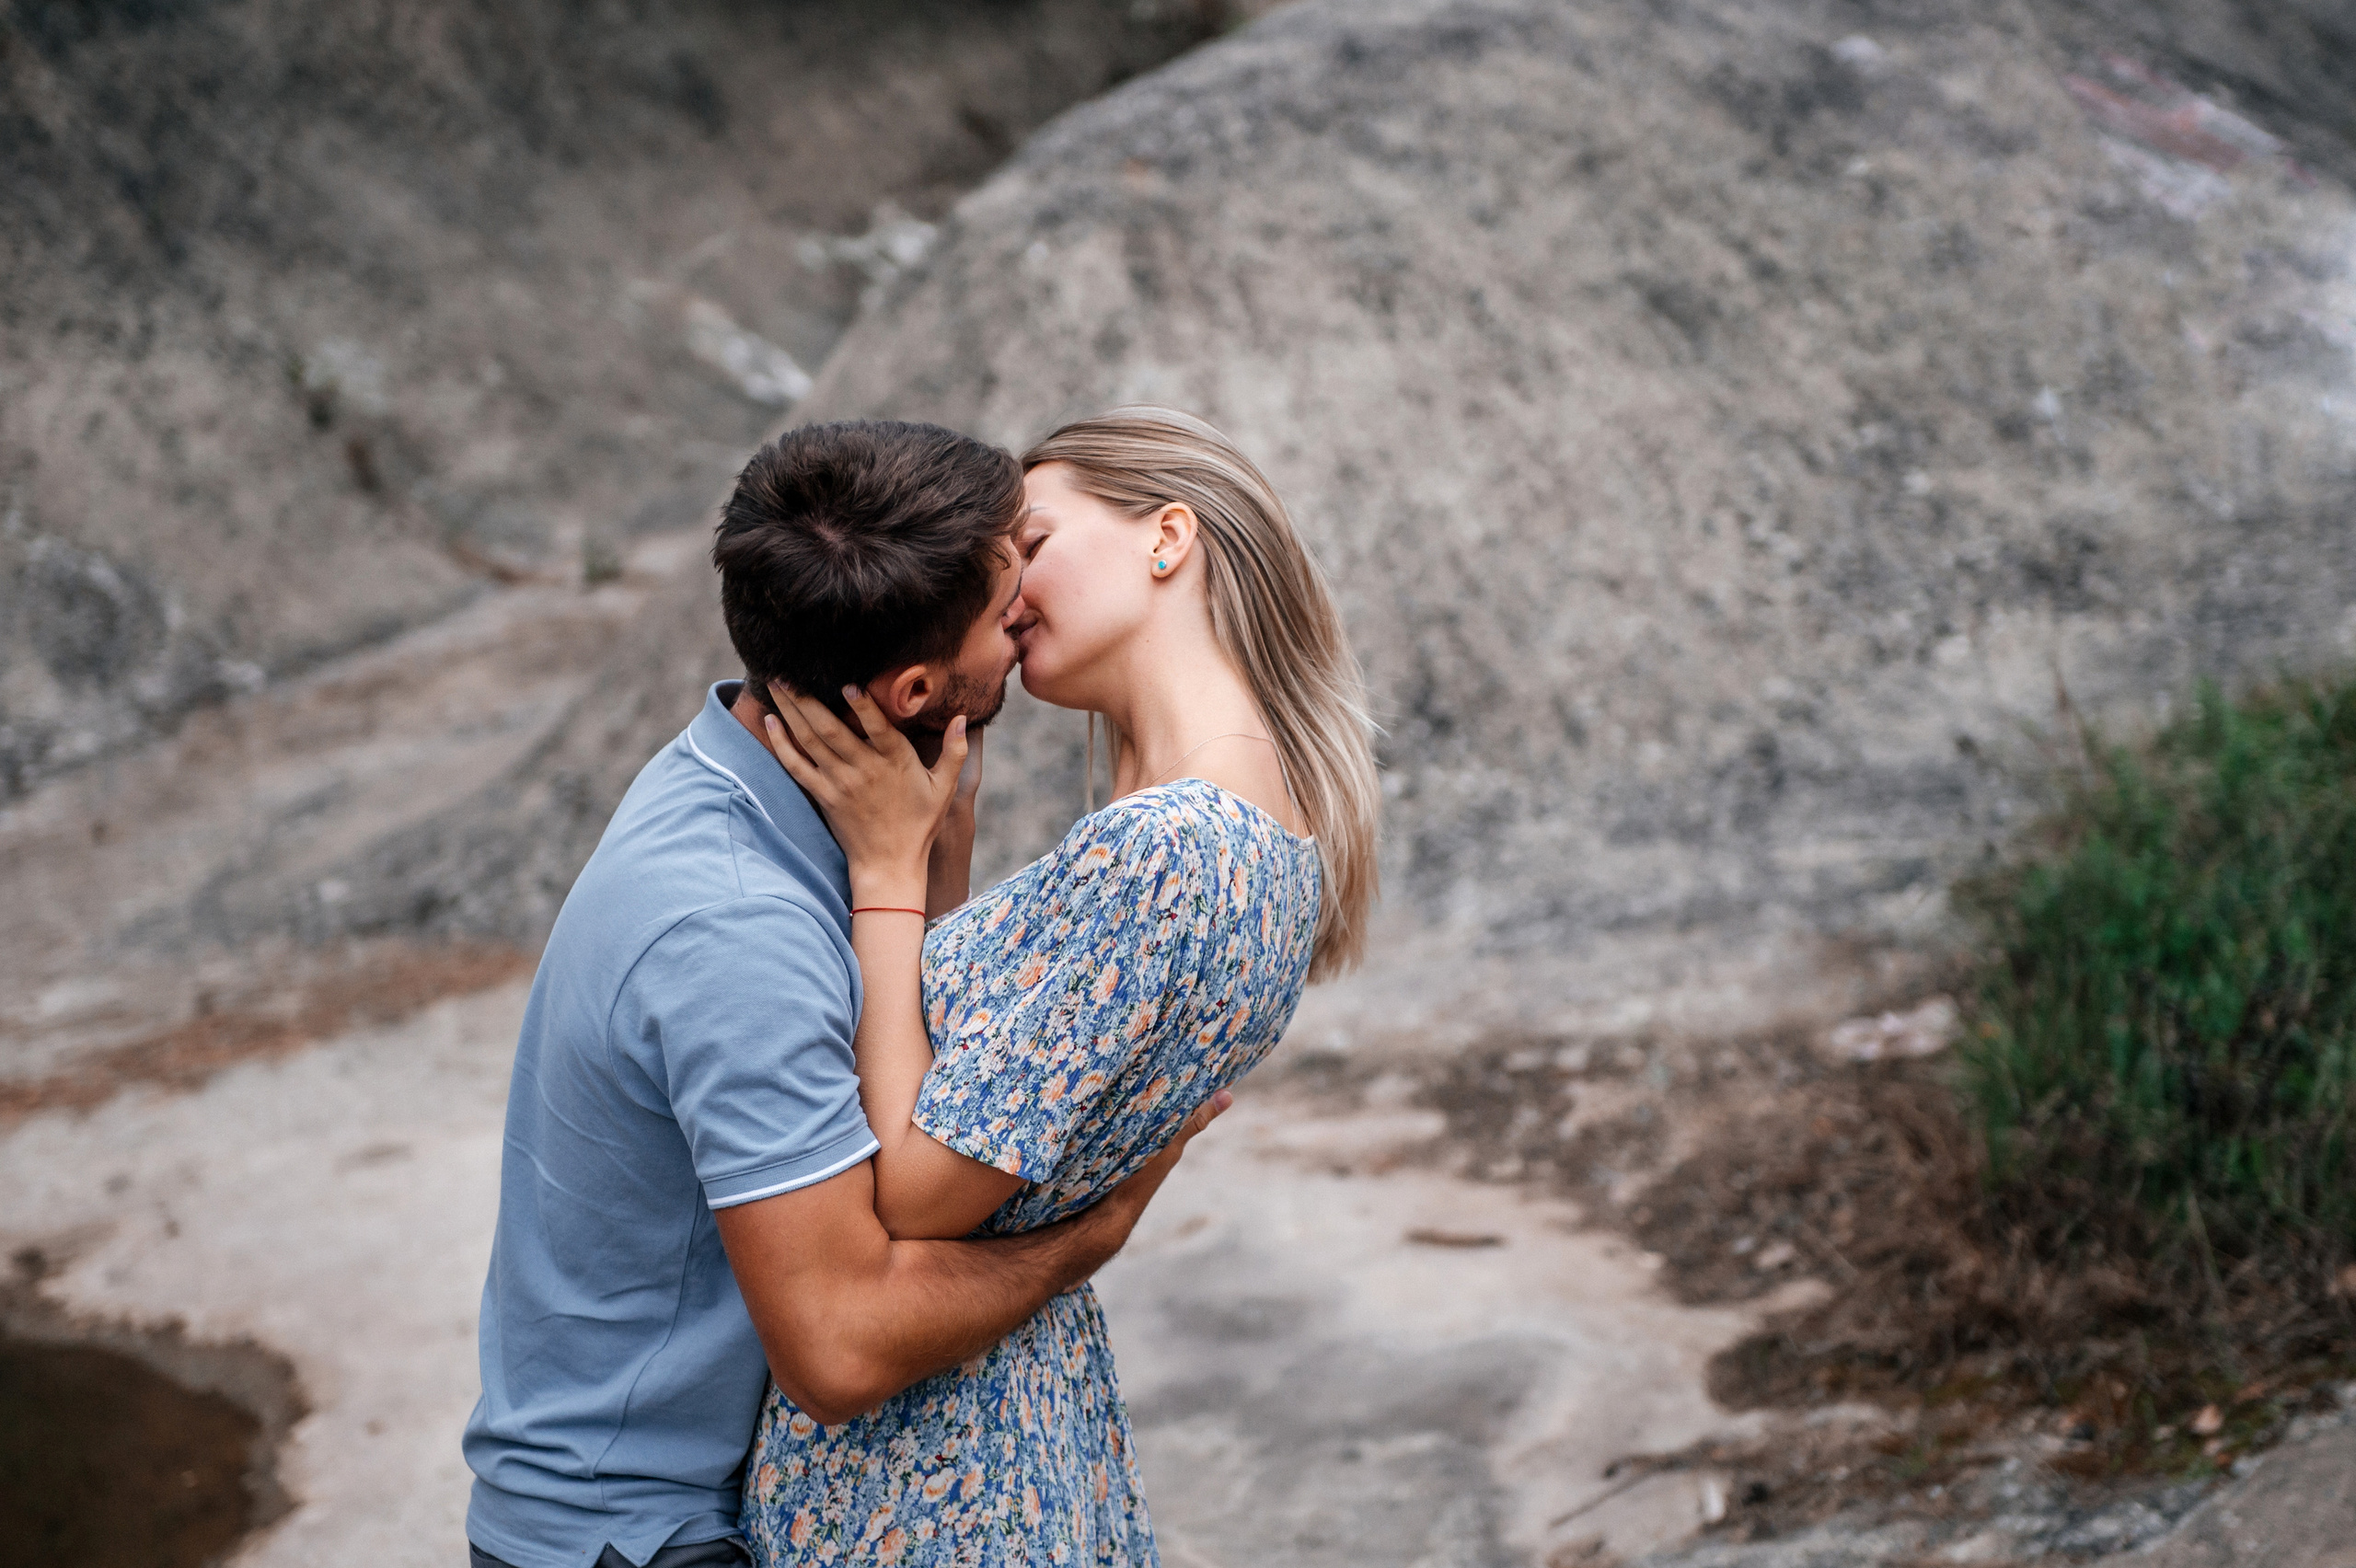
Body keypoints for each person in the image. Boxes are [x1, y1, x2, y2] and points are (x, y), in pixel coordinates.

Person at [462, 420, 1230, 1568]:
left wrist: (932, 859)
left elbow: (908, 1085)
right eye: (1004, 607)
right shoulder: (735, 928)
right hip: (641, 1534)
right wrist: (1085, 1238)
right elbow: (842, 1348)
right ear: (914, 687)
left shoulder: (743, 766)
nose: (1026, 617)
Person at [737, 408, 1380, 1565]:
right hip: (1018, 1415)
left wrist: (884, 870)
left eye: (1029, 545)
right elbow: (977, 1087)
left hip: (928, 1478)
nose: (1003, 590)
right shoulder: (1265, 831)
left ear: (1167, 538)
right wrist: (944, 849)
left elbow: (918, 1191)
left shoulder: (1158, 850)